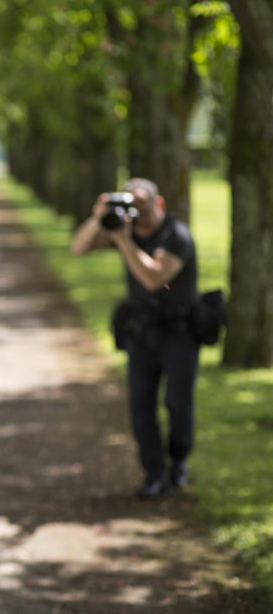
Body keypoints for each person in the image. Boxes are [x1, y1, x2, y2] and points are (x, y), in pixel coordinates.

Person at [70, 178, 199, 498]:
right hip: (142, 331)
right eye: (131, 206)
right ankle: (153, 473)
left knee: (178, 403)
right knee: (141, 407)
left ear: (159, 204)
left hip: (180, 330)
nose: (137, 214)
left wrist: (125, 242)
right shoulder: (122, 228)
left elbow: (155, 278)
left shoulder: (176, 235)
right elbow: (79, 247)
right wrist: (99, 217)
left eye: (142, 206)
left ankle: (179, 461)